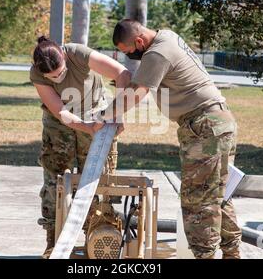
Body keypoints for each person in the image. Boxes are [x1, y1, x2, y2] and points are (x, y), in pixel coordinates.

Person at [100, 19, 242, 259]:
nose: (132, 57)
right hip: (219, 122)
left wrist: (104, 114)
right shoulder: (167, 35)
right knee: (217, 195)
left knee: (198, 201)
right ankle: (232, 254)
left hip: (204, 126)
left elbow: (136, 94)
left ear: (139, 41)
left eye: (131, 52)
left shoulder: (156, 53)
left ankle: (205, 256)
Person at [30, 37, 130, 258]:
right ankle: (53, 242)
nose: (58, 78)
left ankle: (97, 238)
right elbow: (61, 112)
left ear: (64, 57)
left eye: (60, 72)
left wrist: (118, 113)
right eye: (52, 77)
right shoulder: (37, 73)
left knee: (97, 177)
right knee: (55, 179)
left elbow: (122, 74)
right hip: (59, 122)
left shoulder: (78, 54)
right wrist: (85, 127)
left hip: (98, 112)